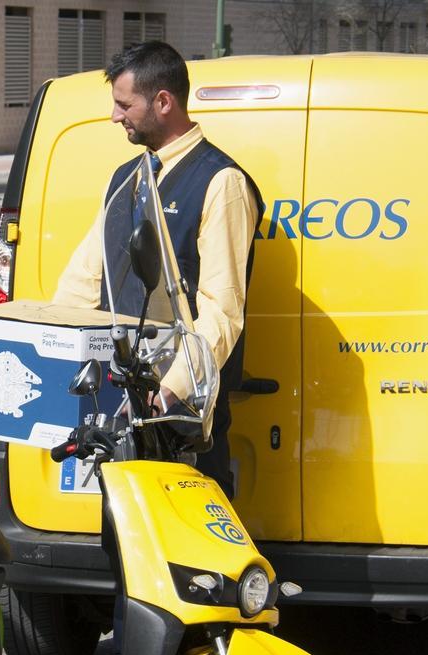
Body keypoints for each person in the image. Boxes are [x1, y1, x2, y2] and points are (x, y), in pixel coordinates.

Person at [52, 40, 262, 499]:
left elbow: (221, 311)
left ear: (163, 102)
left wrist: (169, 393)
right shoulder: (125, 177)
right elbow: (87, 278)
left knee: (191, 563)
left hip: (178, 419)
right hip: (123, 404)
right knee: (126, 552)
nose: (114, 116)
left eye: (124, 104)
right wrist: (51, 351)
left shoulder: (220, 181)